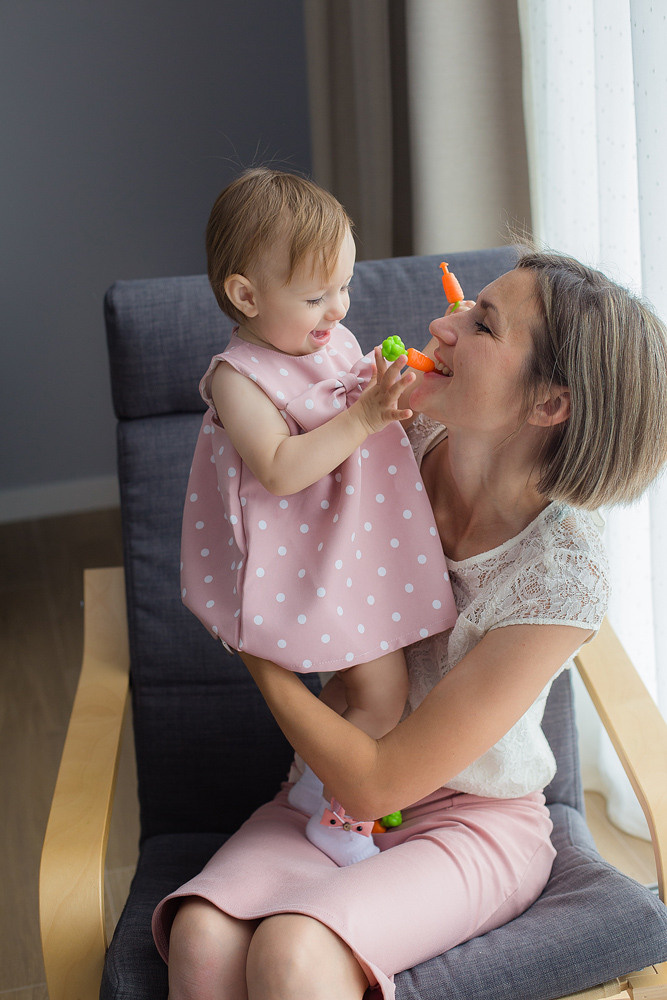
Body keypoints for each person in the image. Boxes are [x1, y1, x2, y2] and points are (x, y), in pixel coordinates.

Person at [156, 247, 667, 1000]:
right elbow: (269, 447)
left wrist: (254, 654)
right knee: (201, 942)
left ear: (549, 404)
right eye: (462, 303)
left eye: (481, 324)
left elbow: (375, 784)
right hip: (322, 792)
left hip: (468, 821)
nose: (439, 325)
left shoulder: (563, 575)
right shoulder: (380, 432)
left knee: (292, 956)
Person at [180, 167, 457, 865]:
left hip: (354, 545)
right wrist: (364, 416)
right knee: (383, 695)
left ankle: (308, 785)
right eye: (313, 296)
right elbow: (278, 467)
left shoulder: (321, 338)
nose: (336, 310)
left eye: (343, 287)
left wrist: (384, 389)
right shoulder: (236, 376)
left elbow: (349, 400)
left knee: (359, 687)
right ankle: (341, 817)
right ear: (245, 295)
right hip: (304, 559)